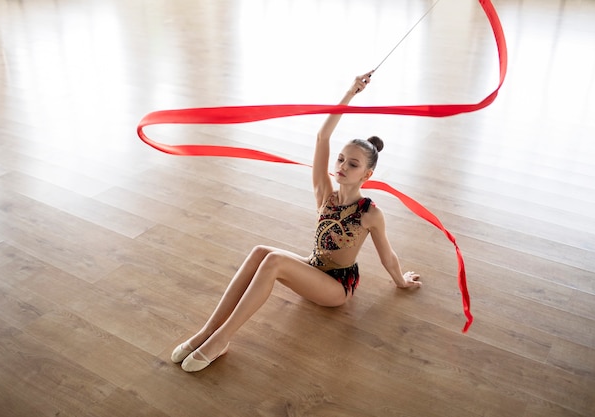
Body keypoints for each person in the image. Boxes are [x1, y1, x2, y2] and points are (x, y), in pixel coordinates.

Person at [171, 71, 422, 372]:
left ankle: (222, 338)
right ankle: (207, 331)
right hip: (314, 267)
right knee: (260, 252)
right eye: (341, 159)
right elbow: (322, 137)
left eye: (352, 164)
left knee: (274, 261)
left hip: (337, 287)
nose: (341, 166)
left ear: (367, 175)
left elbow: (387, 256)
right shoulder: (325, 193)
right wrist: (350, 93)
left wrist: (401, 282)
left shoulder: (370, 213)